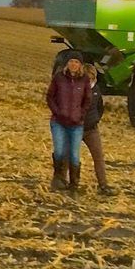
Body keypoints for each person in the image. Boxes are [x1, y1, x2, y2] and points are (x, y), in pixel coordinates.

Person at [46, 54, 91, 192]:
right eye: (71, 61)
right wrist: (57, 111)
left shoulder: (84, 80)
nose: (73, 64)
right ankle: (58, 178)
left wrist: (81, 114)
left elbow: (87, 100)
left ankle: (74, 183)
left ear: (80, 65)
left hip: (76, 124)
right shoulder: (59, 78)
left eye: (76, 62)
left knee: (74, 155)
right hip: (59, 121)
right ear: (67, 64)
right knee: (59, 151)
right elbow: (50, 97)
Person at [82, 62, 111, 194]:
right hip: (75, 129)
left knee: (98, 157)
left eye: (91, 78)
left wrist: (96, 119)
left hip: (91, 129)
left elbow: (100, 107)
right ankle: (65, 183)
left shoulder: (96, 90)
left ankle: (103, 185)